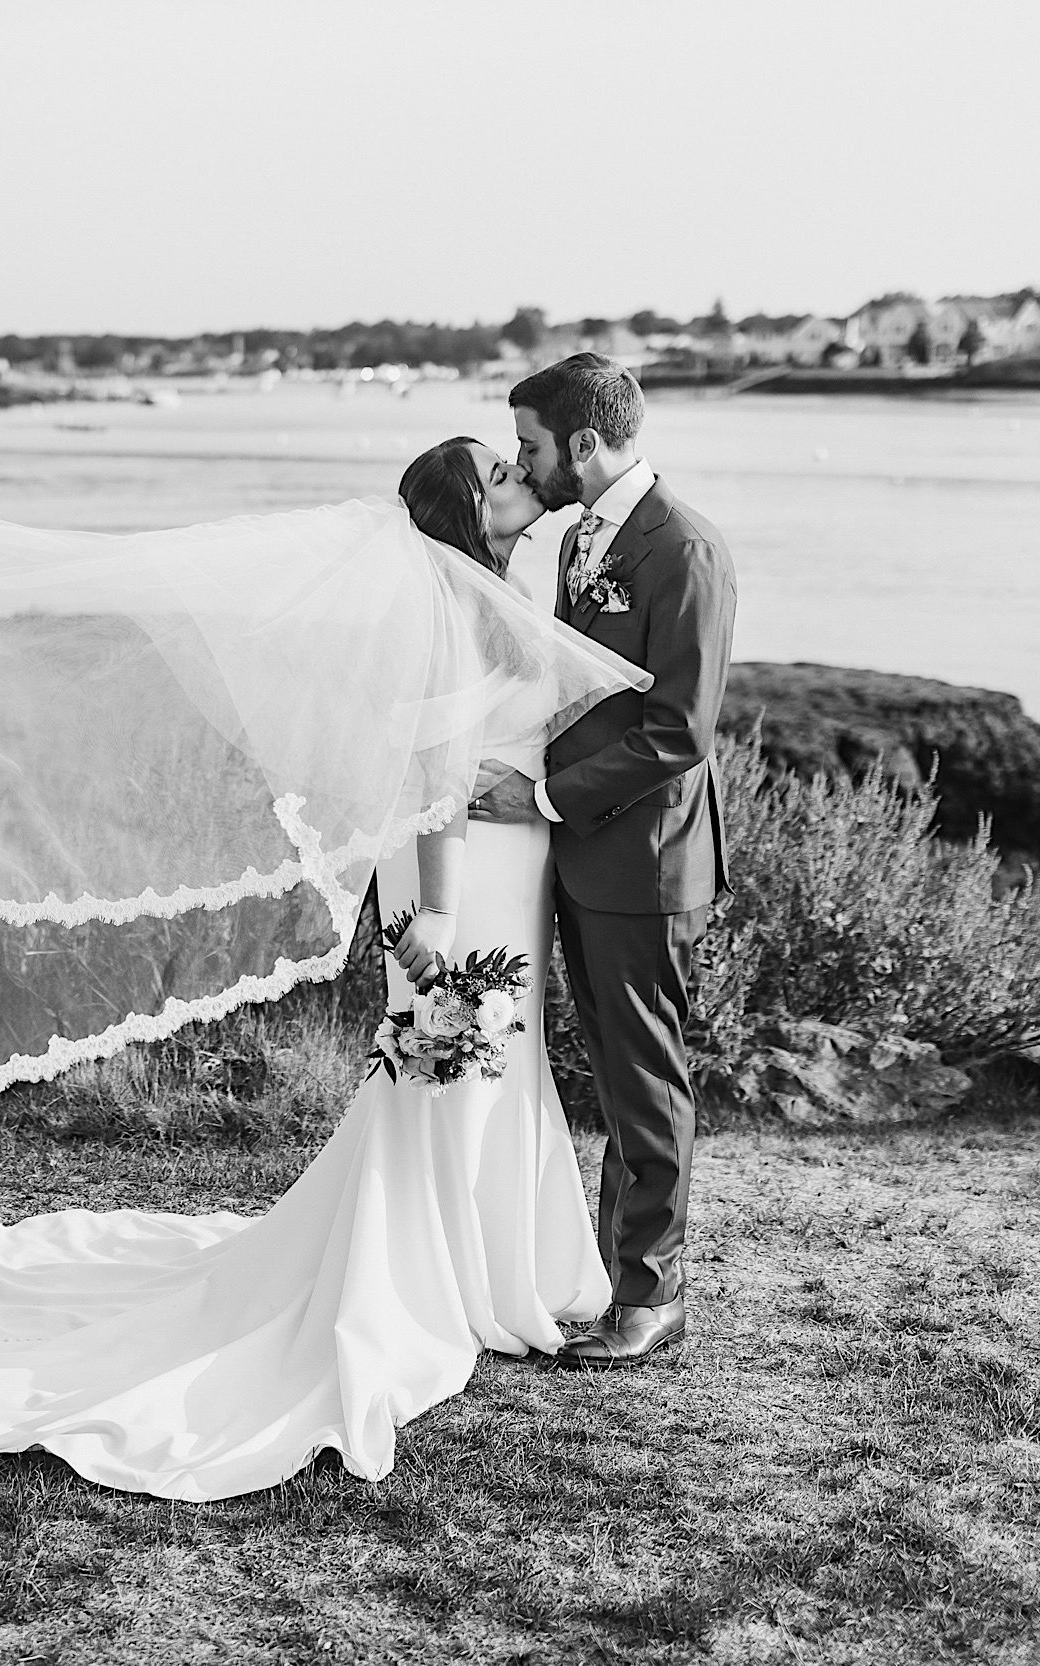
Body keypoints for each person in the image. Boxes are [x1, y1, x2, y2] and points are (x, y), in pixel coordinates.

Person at [0, 434, 635, 1500]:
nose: (524, 479)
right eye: (503, 475)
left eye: (518, 465)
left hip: (505, 862)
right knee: (448, 1065)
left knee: (490, 1066)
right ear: (468, 511)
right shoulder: (440, 606)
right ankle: (425, 1279)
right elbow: (430, 770)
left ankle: (485, 1264)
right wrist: (430, 906)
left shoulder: (491, 587)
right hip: (455, 872)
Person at [469, 354, 738, 1368]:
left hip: (646, 861)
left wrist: (539, 796)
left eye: (531, 447)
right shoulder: (582, 536)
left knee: (643, 1074)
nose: (522, 463)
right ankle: (624, 1271)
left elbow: (677, 731)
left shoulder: (684, 552)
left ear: (583, 444)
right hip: (586, 855)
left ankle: (652, 1292)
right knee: (620, 1074)